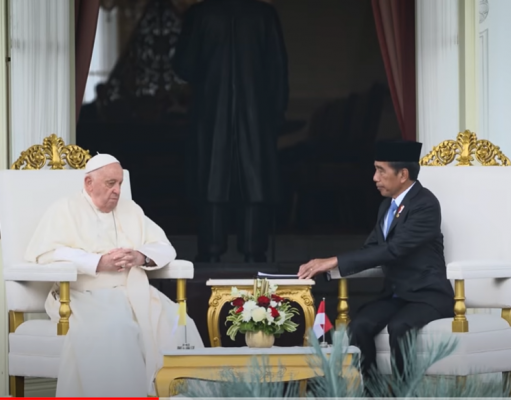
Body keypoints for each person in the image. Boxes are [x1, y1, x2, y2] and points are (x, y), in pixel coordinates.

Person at [24, 154, 204, 397]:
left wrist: (141, 256)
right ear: (89, 183)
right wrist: (98, 262)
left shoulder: (131, 209)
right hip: (83, 295)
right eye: (111, 183)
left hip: (135, 290)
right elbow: (47, 252)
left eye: (120, 183)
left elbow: (164, 247)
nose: (118, 191)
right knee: (118, 328)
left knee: (180, 325)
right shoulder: (65, 209)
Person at [297, 140, 454, 382]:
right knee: (359, 325)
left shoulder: (425, 204)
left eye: (381, 170)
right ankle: (371, 392)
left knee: (400, 327)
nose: (374, 178)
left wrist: (334, 260)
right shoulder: (386, 206)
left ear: (403, 174)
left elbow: (393, 250)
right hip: (397, 296)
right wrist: (333, 266)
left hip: (428, 295)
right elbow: (371, 249)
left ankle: (404, 393)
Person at [173, 0, 289, 263]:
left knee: (212, 181)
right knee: (255, 182)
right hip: (257, 113)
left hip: (210, 112)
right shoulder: (264, 15)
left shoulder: (200, 14)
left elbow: (184, 66)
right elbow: (278, 70)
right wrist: (276, 116)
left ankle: (210, 252)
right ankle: (254, 253)